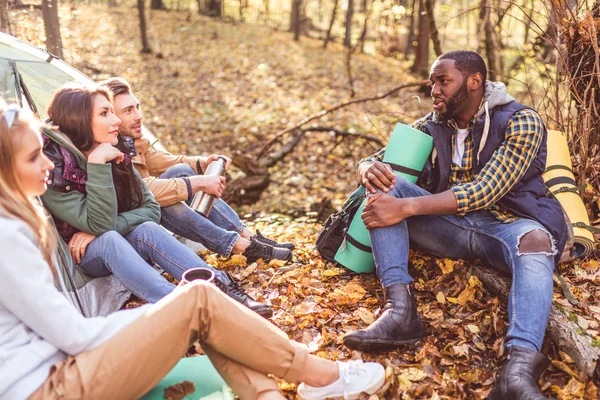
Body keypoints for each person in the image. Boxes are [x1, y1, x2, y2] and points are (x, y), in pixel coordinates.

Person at [0, 101, 386, 400]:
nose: (49, 162)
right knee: (198, 299)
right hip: (51, 387)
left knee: (208, 320)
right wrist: (168, 312)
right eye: (34, 156)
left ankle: (293, 386)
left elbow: (149, 197)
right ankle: (322, 375)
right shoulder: (7, 236)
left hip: (59, 372)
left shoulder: (15, 224)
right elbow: (75, 335)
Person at [343, 50, 567, 399]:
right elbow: (380, 159)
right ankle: (400, 312)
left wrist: (407, 206)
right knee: (386, 184)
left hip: (508, 227)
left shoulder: (521, 120)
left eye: (443, 81)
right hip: (449, 228)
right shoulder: (433, 123)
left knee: (535, 240)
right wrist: (365, 168)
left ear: (474, 81)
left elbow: (484, 191)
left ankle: (519, 367)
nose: (434, 89)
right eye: (433, 81)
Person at [40, 83, 272, 318]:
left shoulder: (114, 145)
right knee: (108, 239)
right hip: (82, 257)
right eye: (104, 113)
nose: (116, 120)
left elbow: (150, 208)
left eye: (112, 111)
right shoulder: (53, 170)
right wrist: (98, 166)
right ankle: (182, 308)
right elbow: (101, 226)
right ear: (79, 120)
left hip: (112, 235)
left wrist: (100, 229)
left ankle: (220, 289)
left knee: (147, 229)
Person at [99, 77, 294, 263]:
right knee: (164, 198)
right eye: (128, 111)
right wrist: (198, 182)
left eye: (137, 108)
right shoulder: (107, 150)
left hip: (143, 209)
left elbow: (159, 160)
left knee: (180, 170)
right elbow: (143, 191)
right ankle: (237, 246)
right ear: (111, 116)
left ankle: (248, 236)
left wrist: (200, 163)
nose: (138, 116)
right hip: (127, 227)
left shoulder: (129, 142)